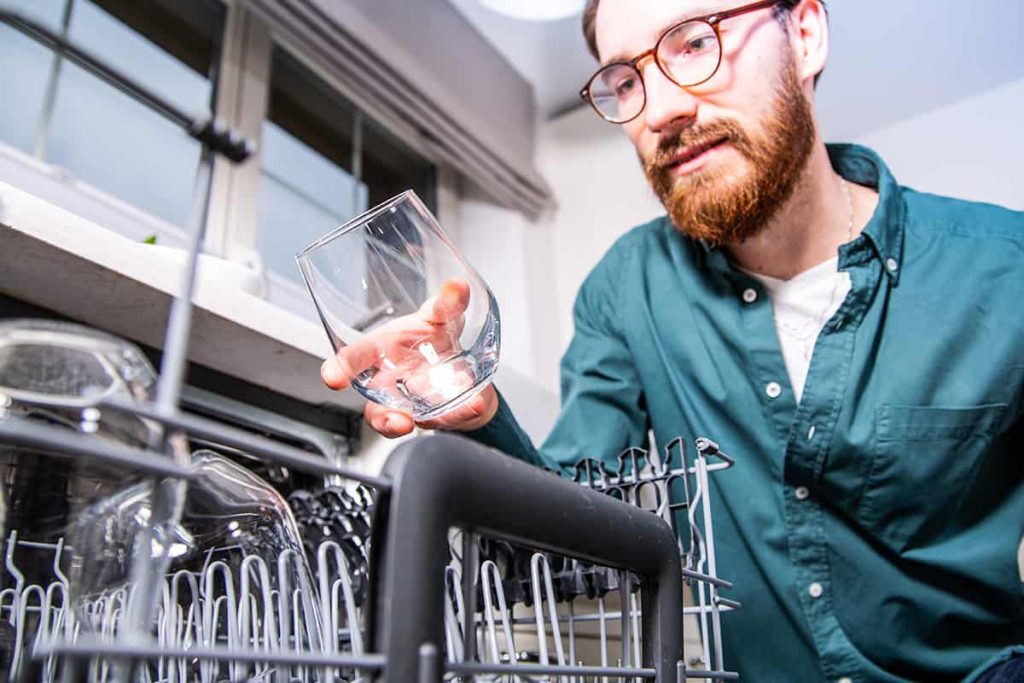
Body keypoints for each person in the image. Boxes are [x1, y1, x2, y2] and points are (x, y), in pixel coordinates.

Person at [320, 0, 1024, 680]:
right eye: (626, 81)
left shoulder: (1005, 267)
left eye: (693, 42)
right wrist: (475, 413)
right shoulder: (626, 288)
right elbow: (571, 533)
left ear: (805, 35)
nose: (659, 111)